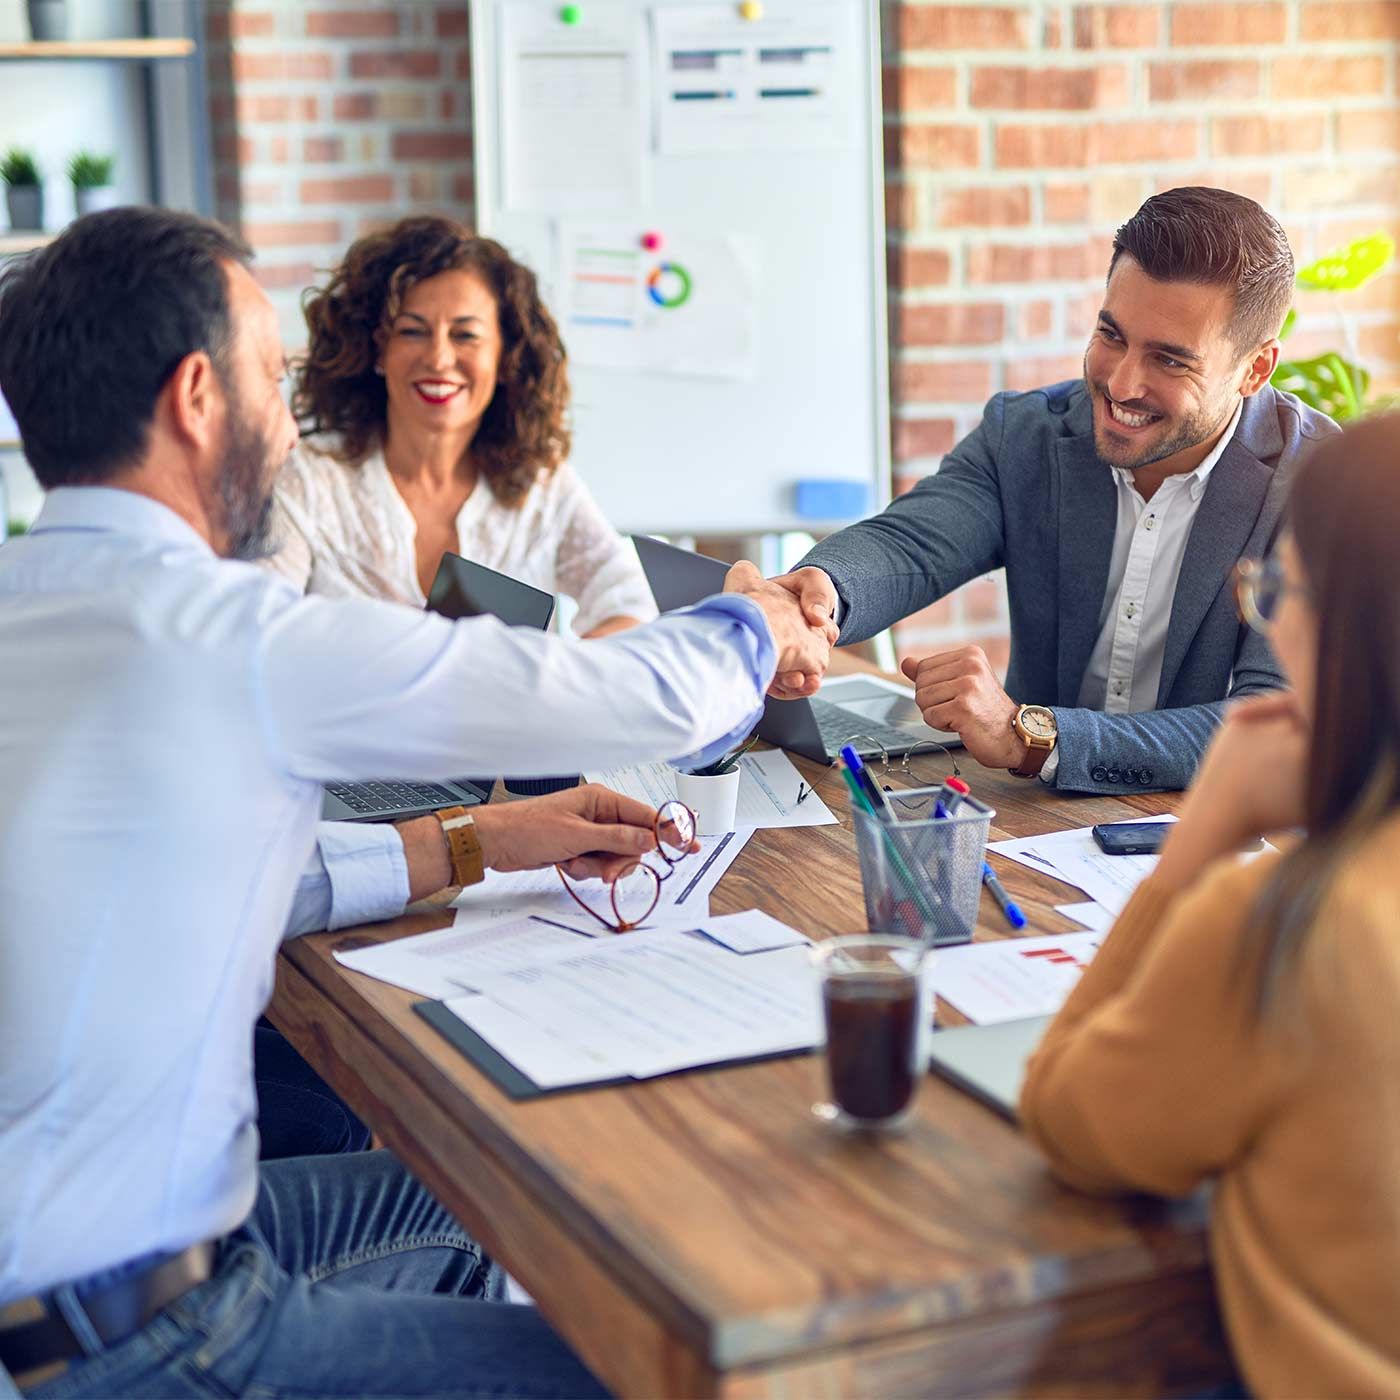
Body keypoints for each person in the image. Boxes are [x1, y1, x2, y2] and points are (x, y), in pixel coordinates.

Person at [0, 207, 832, 1398]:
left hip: (92, 1265)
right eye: (269, 380)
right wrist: (757, 619)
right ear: (197, 397)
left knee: (459, 1185)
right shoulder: (233, 638)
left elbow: (206, 867)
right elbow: (631, 699)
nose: (287, 420)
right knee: (674, 1376)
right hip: (148, 1339)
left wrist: (474, 838)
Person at [1019, 414, 1400, 1399]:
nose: (1268, 621)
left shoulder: (1291, 923)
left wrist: (1186, 857)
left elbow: (1069, 1120)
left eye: (1279, 593)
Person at [775, 187, 1339, 793]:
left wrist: (1031, 735)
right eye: (1112, 334)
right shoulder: (1027, 435)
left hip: (1216, 836)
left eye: (1170, 361)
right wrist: (810, 600)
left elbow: (1273, 723)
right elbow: (912, 543)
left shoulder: (1321, 487)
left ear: (1255, 369)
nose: (1122, 383)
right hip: (1042, 827)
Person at [263, 215, 656, 637]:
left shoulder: (540, 487)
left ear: (506, 357)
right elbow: (256, 626)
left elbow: (632, 602)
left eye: (465, 335)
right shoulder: (309, 481)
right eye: (412, 331)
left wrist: (555, 683)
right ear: (376, 348)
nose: (438, 358)